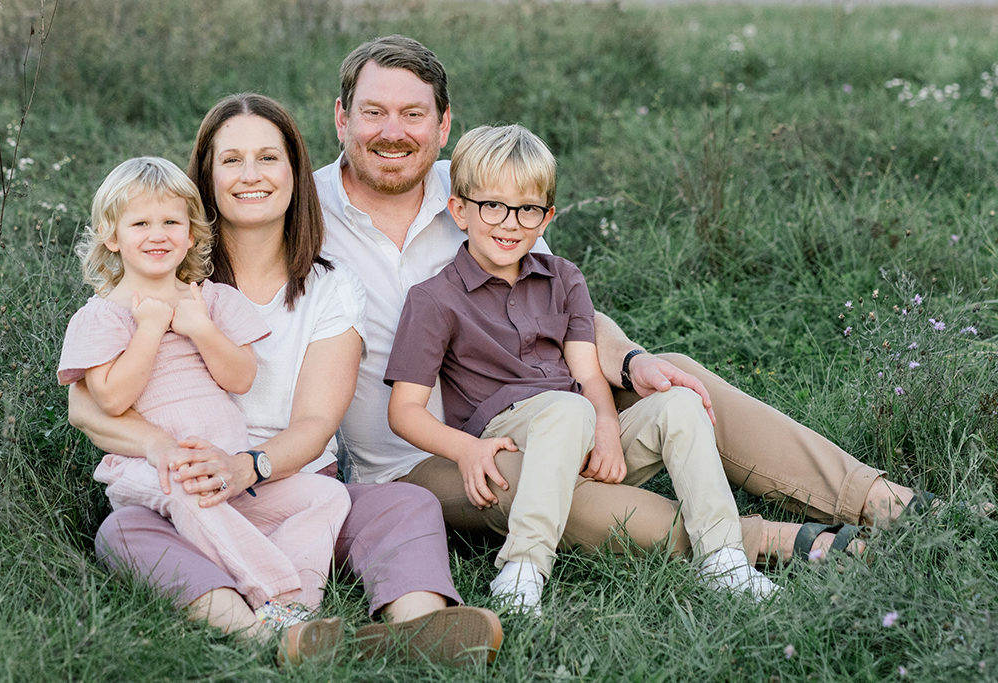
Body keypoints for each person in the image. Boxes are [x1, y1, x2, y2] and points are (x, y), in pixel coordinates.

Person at [317, 35, 921, 561]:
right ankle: (768, 542)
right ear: (342, 118)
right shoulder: (304, 216)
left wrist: (632, 361)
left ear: (443, 124)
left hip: (539, 403)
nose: (392, 132)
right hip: (416, 460)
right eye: (374, 113)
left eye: (412, 114)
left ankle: (877, 500)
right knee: (532, 481)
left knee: (676, 378)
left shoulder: (477, 188)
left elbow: (556, 304)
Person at [68, 95, 503, 667]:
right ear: (206, 178)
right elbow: (86, 406)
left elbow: (317, 422)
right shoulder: (161, 271)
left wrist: (246, 467)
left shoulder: (330, 287)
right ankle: (261, 632)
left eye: (268, 158)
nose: (251, 175)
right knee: (123, 532)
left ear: (296, 174)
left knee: (406, 505)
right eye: (232, 161)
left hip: (288, 485)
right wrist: (163, 449)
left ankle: (417, 626)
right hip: (181, 485)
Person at [385, 124, 780, 612]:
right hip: (511, 437)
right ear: (460, 210)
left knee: (677, 403)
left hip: (582, 428)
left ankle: (724, 559)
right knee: (566, 410)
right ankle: (523, 568)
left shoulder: (564, 279)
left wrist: (609, 429)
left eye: (527, 209)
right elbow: (404, 411)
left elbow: (590, 373)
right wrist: (467, 450)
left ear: (546, 217)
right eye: (493, 205)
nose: (510, 223)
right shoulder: (433, 300)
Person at [59, 157, 349, 628]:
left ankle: (297, 611)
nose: (158, 234)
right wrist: (150, 330)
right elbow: (110, 399)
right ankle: (278, 595)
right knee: (186, 490)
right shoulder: (102, 316)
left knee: (326, 496)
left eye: (172, 221)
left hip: (225, 467)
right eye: (141, 223)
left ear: (191, 234)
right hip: (151, 472)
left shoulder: (212, 300)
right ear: (112, 236)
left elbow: (241, 377)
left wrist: (201, 329)